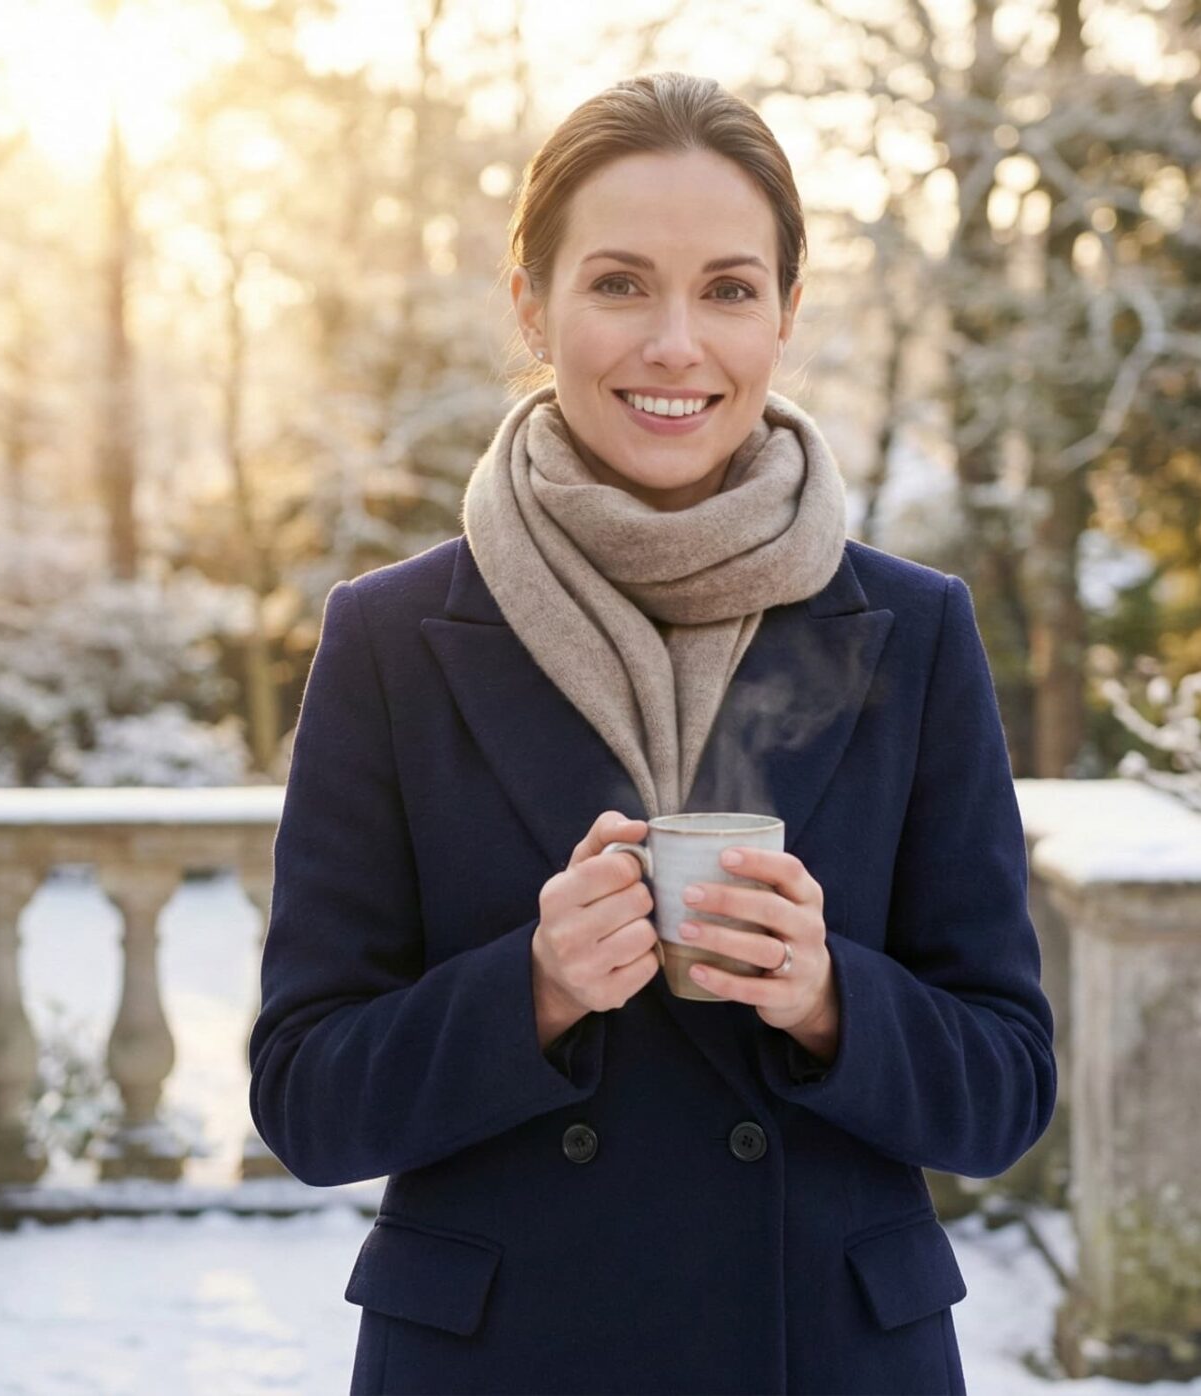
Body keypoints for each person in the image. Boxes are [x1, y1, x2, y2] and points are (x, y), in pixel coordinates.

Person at [247, 71, 1055, 1396]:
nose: (676, 343)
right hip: (504, 1358)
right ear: (533, 302)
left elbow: (1006, 1089)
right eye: (620, 283)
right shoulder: (391, 641)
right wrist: (535, 988)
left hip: (827, 1355)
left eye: (729, 290)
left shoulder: (910, 632)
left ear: (787, 314)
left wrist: (830, 999)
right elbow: (307, 1099)